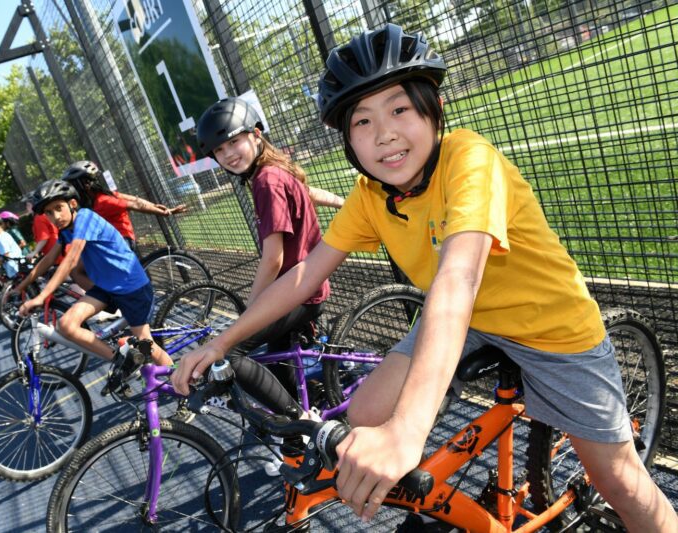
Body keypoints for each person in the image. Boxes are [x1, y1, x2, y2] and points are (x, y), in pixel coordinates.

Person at [173, 24, 677, 531]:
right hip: (467, 321)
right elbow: (304, 273)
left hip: (550, 329)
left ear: (432, 108)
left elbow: (458, 280)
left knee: (621, 483)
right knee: (365, 413)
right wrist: (223, 343)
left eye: (399, 110)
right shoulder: (372, 195)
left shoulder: (469, 158)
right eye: (362, 121)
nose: (384, 133)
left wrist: (407, 432)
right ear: (348, 140)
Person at [190, 97, 335, 429]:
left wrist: (251, 312)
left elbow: (273, 259)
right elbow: (308, 191)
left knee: (231, 352)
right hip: (304, 286)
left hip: (298, 291)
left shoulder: (266, 180)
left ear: (256, 134)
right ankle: (298, 421)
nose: (228, 154)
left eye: (234, 142)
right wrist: (346, 202)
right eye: (219, 151)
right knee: (277, 358)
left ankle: (302, 424)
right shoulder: (275, 169)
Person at [16, 180, 171, 369]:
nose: (55, 216)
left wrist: (41, 297)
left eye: (58, 208)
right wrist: (19, 288)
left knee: (148, 346)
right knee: (66, 325)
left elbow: (72, 259)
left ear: (72, 204)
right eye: (49, 212)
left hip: (131, 287)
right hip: (106, 288)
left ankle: (182, 382)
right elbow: (48, 260)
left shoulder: (85, 218)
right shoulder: (66, 230)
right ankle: (123, 362)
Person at [60, 160, 188, 252]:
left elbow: (134, 204)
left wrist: (164, 212)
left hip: (122, 241)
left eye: (75, 187)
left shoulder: (103, 201)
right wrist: (156, 206)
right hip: (112, 240)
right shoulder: (99, 199)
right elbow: (134, 199)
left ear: (85, 185)